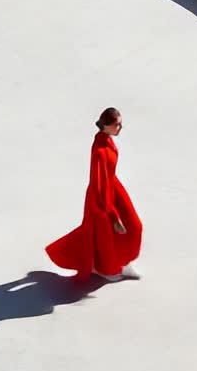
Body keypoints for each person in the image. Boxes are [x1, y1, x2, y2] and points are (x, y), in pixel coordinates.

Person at [46, 107, 143, 282]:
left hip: (112, 185)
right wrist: (112, 215)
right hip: (101, 196)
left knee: (133, 225)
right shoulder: (99, 151)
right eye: (117, 125)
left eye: (120, 124)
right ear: (105, 126)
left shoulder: (107, 140)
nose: (120, 128)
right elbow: (98, 182)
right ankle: (105, 269)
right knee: (104, 235)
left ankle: (123, 260)